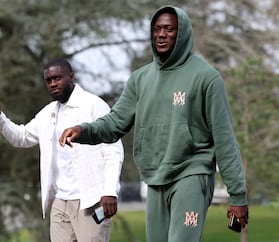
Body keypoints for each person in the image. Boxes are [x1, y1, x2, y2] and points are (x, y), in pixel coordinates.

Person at [59, 5, 249, 242]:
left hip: (192, 173)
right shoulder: (140, 79)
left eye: (169, 29)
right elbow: (115, 122)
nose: (161, 34)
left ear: (182, 34)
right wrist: (83, 131)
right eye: (157, 29)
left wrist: (237, 195)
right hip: (155, 177)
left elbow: (224, 139)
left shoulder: (206, 78)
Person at [0, 58, 124, 242]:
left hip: (91, 202)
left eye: (57, 78)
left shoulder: (94, 105)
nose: (53, 84)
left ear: (71, 77)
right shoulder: (48, 113)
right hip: (60, 202)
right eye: (49, 80)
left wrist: (110, 191)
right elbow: (21, 137)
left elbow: (113, 150)